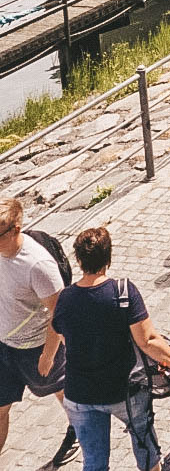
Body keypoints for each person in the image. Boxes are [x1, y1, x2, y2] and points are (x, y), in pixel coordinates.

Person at [47, 227, 170, 471]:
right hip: (123, 391)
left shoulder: (66, 298)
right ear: (108, 258)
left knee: (94, 462)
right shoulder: (123, 292)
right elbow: (148, 341)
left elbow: (64, 338)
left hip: (79, 393)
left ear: (79, 261)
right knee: (144, 443)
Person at [0, 197, 77, 469]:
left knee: (62, 394)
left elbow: (60, 313)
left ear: (15, 229)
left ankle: (79, 430)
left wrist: (48, 353)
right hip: (5, 346)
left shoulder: (38, 264)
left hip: (37, 347)